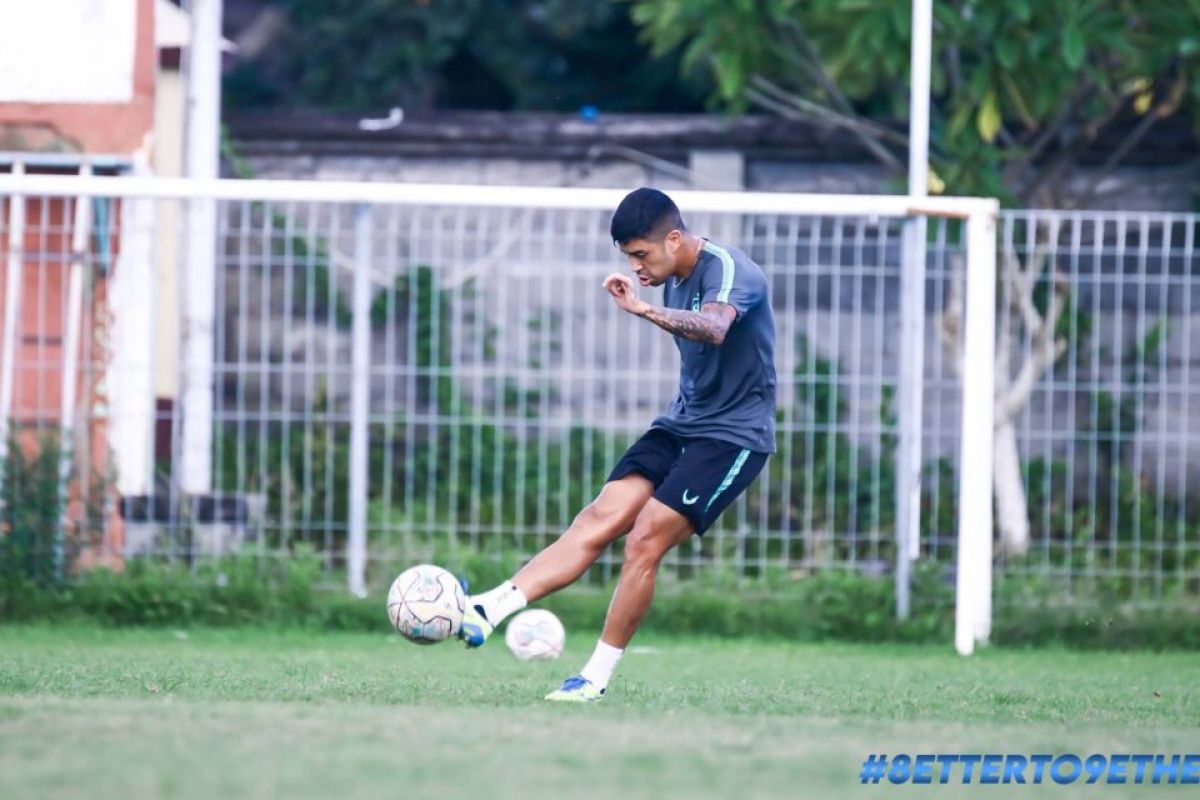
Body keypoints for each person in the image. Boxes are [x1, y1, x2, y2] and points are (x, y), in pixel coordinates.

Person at [459, 187, 777, 702]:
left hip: (733, 437)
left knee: (645, 538)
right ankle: (489, 608)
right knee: (599, 516)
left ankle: (594, 678)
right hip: (682, 422)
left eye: (640, 254)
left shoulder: (730, 271)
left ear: (673, 239)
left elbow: (715, 328)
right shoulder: (671, 272)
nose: (635, 267)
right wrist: (648, 299)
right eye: (628, 257)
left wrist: (643, 309)